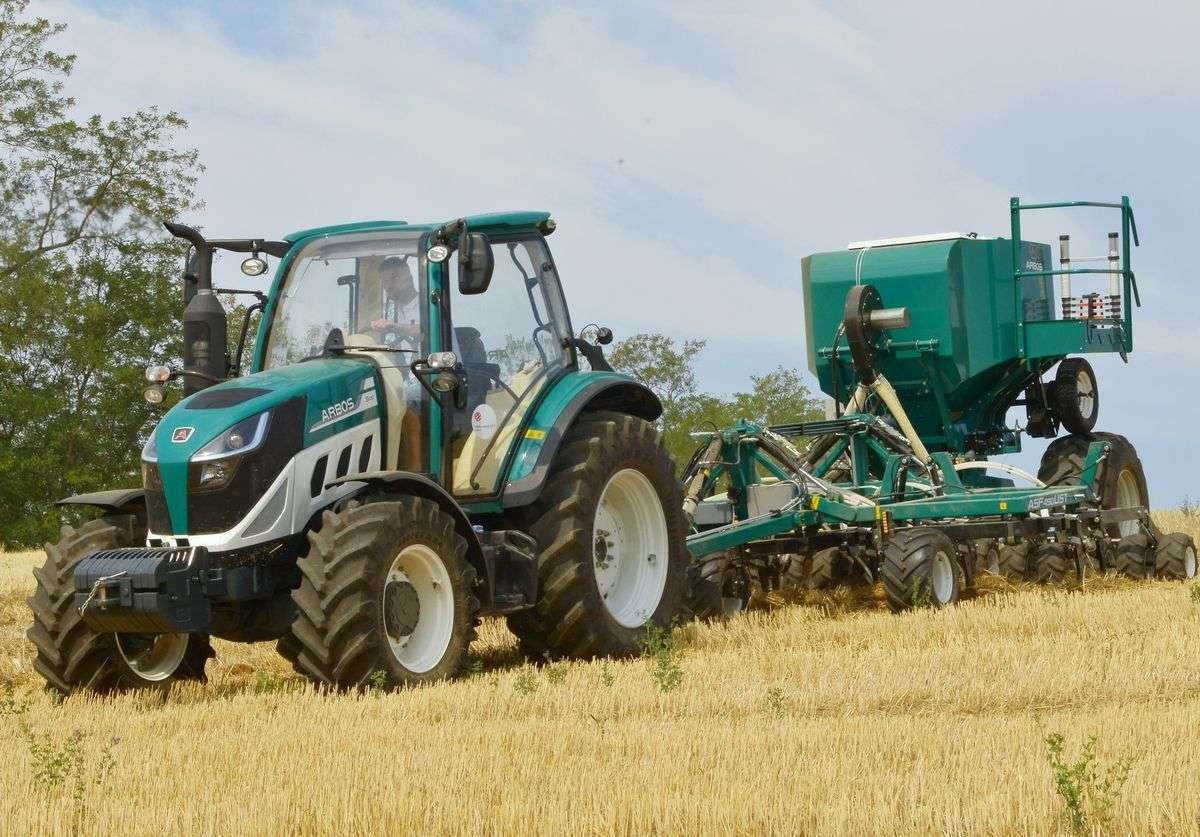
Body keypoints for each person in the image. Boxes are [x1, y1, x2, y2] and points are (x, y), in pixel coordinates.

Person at [370, 255, 420, 340]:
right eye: (385, 281)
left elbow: (429, 331)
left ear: (409, 278)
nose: (389, 285)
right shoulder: (391, 311)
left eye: (394, 278)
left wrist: (395, 326)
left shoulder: (430, 305)